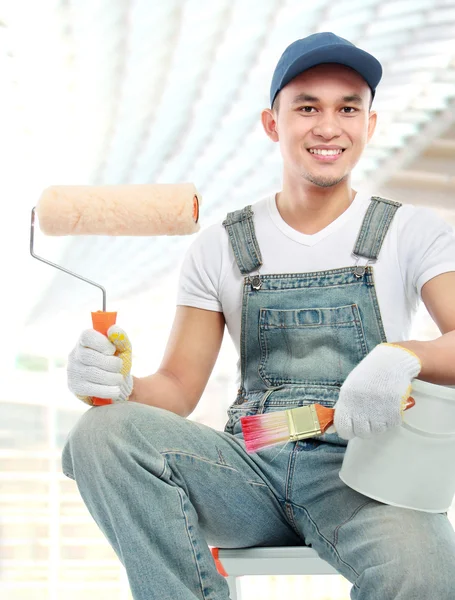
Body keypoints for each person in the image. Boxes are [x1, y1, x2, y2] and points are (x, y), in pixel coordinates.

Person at [62, 32, 455, 599]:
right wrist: (119, 385)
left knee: (427, 573)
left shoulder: (409, 231)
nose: (328, 126)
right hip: (248, 468)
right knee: (101, 433)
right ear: (273, 123)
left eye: (348, 108)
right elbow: (176, 387)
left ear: (370, 124)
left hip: (365, 475)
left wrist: (405, 355)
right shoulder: (221, 245)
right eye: (306, 107)